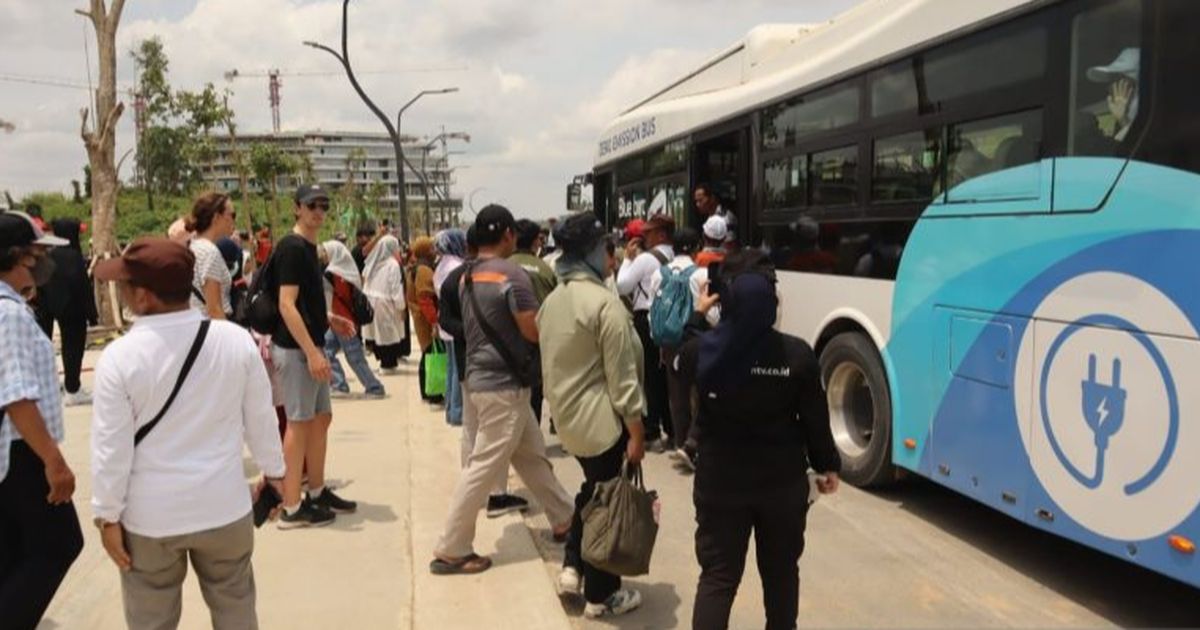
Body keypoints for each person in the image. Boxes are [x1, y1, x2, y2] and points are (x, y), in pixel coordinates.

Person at [90, 238, 286, 630]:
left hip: (151, 520)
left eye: (126, 284)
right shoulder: (233, 340)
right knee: (236, 611)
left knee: (152, 620)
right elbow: (260, 419)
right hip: (224, 507)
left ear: (143, 296)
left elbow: (111, 450)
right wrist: (275, 474)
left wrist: (107, 516)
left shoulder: (120, 357)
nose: (122, 291)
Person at [673, 252, 841, 630]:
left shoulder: (705, 350)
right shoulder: (797, 354)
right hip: (781, 486)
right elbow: (816, 420)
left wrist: (699, 316)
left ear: (726, 303)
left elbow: (679, 365)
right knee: (781, 576)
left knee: (718, 578)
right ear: (772, 305)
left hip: (720, 482)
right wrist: (828, 464)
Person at [430, 205, 573, 576]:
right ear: (509, 234)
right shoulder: (512, 274)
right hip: (504, 385)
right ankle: (451, 546)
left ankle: (564, 518)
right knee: (482, 467)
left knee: (531, 455)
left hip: (482, 379)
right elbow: (531, 329)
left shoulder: (467, 276)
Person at [538, 213, 647, 618]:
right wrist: (636, 433)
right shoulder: (605, 305)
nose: (613, 255)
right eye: (607, 248)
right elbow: (622, 383)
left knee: (593, 491)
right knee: (606, 505)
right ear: (591, 252)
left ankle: (573, 565)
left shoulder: (553, 302)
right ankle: (602, 596)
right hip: (605, 425)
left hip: (569, 422)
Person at [0, 212, 82, 630]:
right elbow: (16, 396)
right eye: (37, 255)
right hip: (20, 449)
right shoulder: (9, 314)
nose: (42, 263)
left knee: (16, 551)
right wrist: (53, 460)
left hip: (14, 449)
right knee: (59, 544)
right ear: (16, 258)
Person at [271, 184, 357, 528]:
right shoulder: (292, 247)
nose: (318, 212)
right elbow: (285, 304)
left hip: (311, 343)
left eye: (323, 206)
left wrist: (328, 320)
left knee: (320, 418)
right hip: (295, 350)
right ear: (297, 208)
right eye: (312, 206)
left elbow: (304, 301)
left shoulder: (310, 247)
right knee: (299, 421)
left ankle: (317, 492)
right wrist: (311, 352)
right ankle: (291, 507)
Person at [437, 226, 528, 517]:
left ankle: (475, 486)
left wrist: (468, 332)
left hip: (469, 365)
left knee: (473, 428)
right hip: (492, 369)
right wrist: (477, 333)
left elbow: (445, 321)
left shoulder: (456, 278)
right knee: (489, 434)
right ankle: (493, 493)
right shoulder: (491, 277)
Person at [648, 227, 719, 469]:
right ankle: (696, 446)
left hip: (669, 343)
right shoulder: (701, 274)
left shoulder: (659, 273)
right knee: (701, 394)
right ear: (697, 247)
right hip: (697, 341)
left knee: (677, 396)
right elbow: (713, 315)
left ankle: (681, 443)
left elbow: (652, 309)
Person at [616, 213, 675, 450]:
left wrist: (629, 260)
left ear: (660, 234)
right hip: (669, 319)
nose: (643, 237)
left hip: (646, 320)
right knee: (667, 377)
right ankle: (672, 429)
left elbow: (623, 286)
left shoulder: (645, 260)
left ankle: (651, 430)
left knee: (648, 376)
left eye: (648, 233)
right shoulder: (674, 255)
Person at [36, 218, 98, 407]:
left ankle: (47, 387)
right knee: (73, 349)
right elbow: (83, 287)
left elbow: (39, 284)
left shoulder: (47, 255)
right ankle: (72, 389)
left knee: (44, 349)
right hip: (73, 309)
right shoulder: (73, 256)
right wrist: (92, 314)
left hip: (46, 307)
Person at [322, 240, 386, 399]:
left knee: (354, 357)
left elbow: (329, 300)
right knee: (326, 351)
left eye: (325, 252)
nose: (322, 255)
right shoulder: (347, 272)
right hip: (345, 319)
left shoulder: (331, 274)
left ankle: (374, 387)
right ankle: (339, 384)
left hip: (340, 320)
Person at [509, 218, 558, 424]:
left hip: (508, 342)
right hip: (538, 342)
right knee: (534, 396)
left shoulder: (504, 266)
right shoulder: (546, 269)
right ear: (535, 242)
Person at [433, 229, 468, 426]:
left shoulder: (442, 264)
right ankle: (456, 411)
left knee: (451, 367)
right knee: (457, 369)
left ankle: (450, 409)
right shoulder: (456, 265)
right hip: (454, 321)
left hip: (446, 322)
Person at [186, 192, 238, 320]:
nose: (233, 220)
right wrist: (228, 337)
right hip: (212, 328)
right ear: (216, 217)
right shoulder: (210, 252)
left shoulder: (194, 246)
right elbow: (214, 309)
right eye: (232, 215)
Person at [361, 235, 408, 373]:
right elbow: (395, 288)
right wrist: (401, 306)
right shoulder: (392, 265)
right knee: (388, 334)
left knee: (379, 334)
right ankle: (388, 364)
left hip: (371, 302)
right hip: (386, 303)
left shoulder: (372, 263)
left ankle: (385, 362)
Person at [407, 236, 440, 403]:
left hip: (420, 317)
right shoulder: (424, 271)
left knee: (427, 354)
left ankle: (428, 391)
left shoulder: (417, 268)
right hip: (425, 320)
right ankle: (432, 392)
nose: (435, 252)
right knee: (430, 355)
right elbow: (425, 298)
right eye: (432, 249)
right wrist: (434, 322)